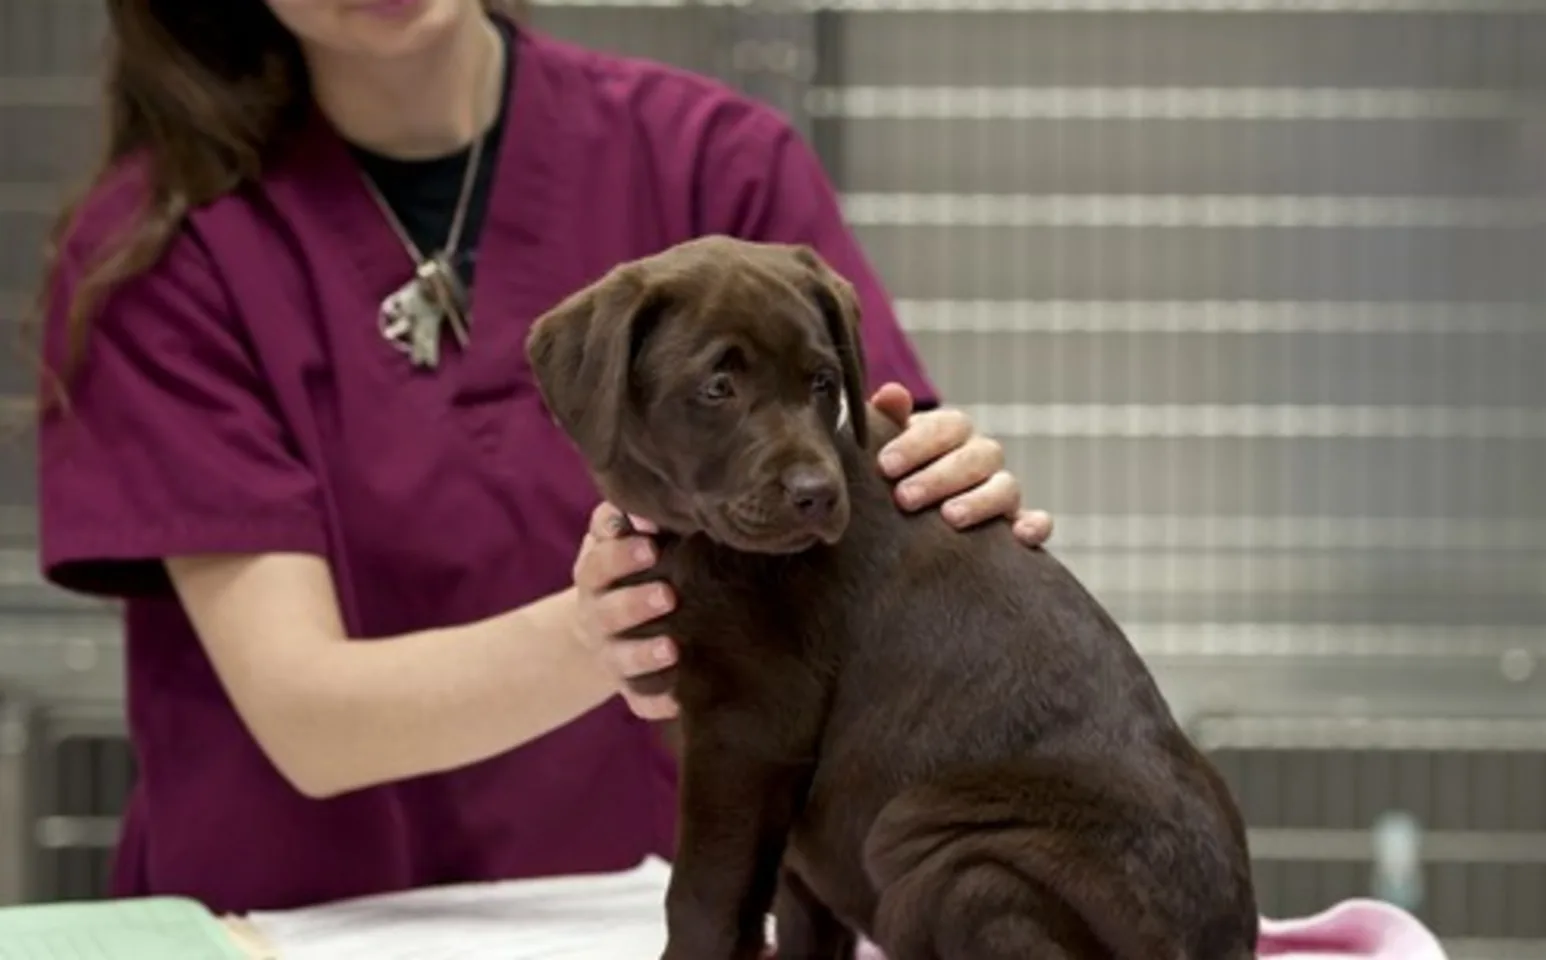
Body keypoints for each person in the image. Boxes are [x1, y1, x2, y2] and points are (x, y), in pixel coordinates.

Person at [31, 0, 1055, 916]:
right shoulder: (166, 249)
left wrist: (941, 498)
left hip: (648, 910)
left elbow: (859, 502)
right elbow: (307, 715)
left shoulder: (714, 160)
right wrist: (597, 635)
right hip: (304, 923)